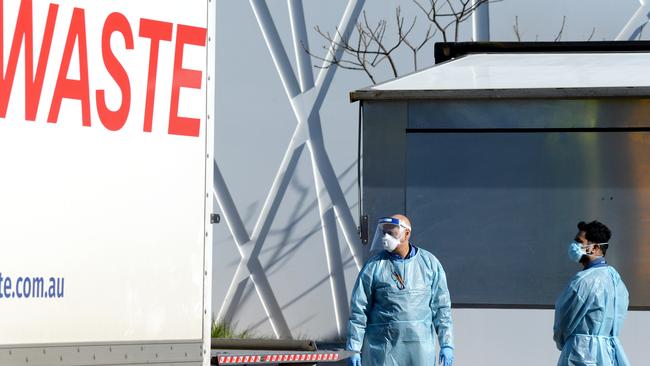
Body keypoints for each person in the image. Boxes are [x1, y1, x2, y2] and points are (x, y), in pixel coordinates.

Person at [346, 214, 454, 366]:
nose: (386, 236)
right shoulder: (374, 267)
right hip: (383, 351)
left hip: (420, 352)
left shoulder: (430, 264)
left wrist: (446, 343)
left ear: (407, 234)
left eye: (392, 232)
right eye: (384, 232)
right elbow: (359, 310)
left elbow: (441, 308)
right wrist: (354, 348)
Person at [553, 220, 630, 366]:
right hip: (608, 355)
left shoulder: (583, 281)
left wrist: (562, 342)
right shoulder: (616, 280)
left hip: (580, 353)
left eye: (579, 242)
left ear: (594, 248)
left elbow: (563, 321)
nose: (574, 246)